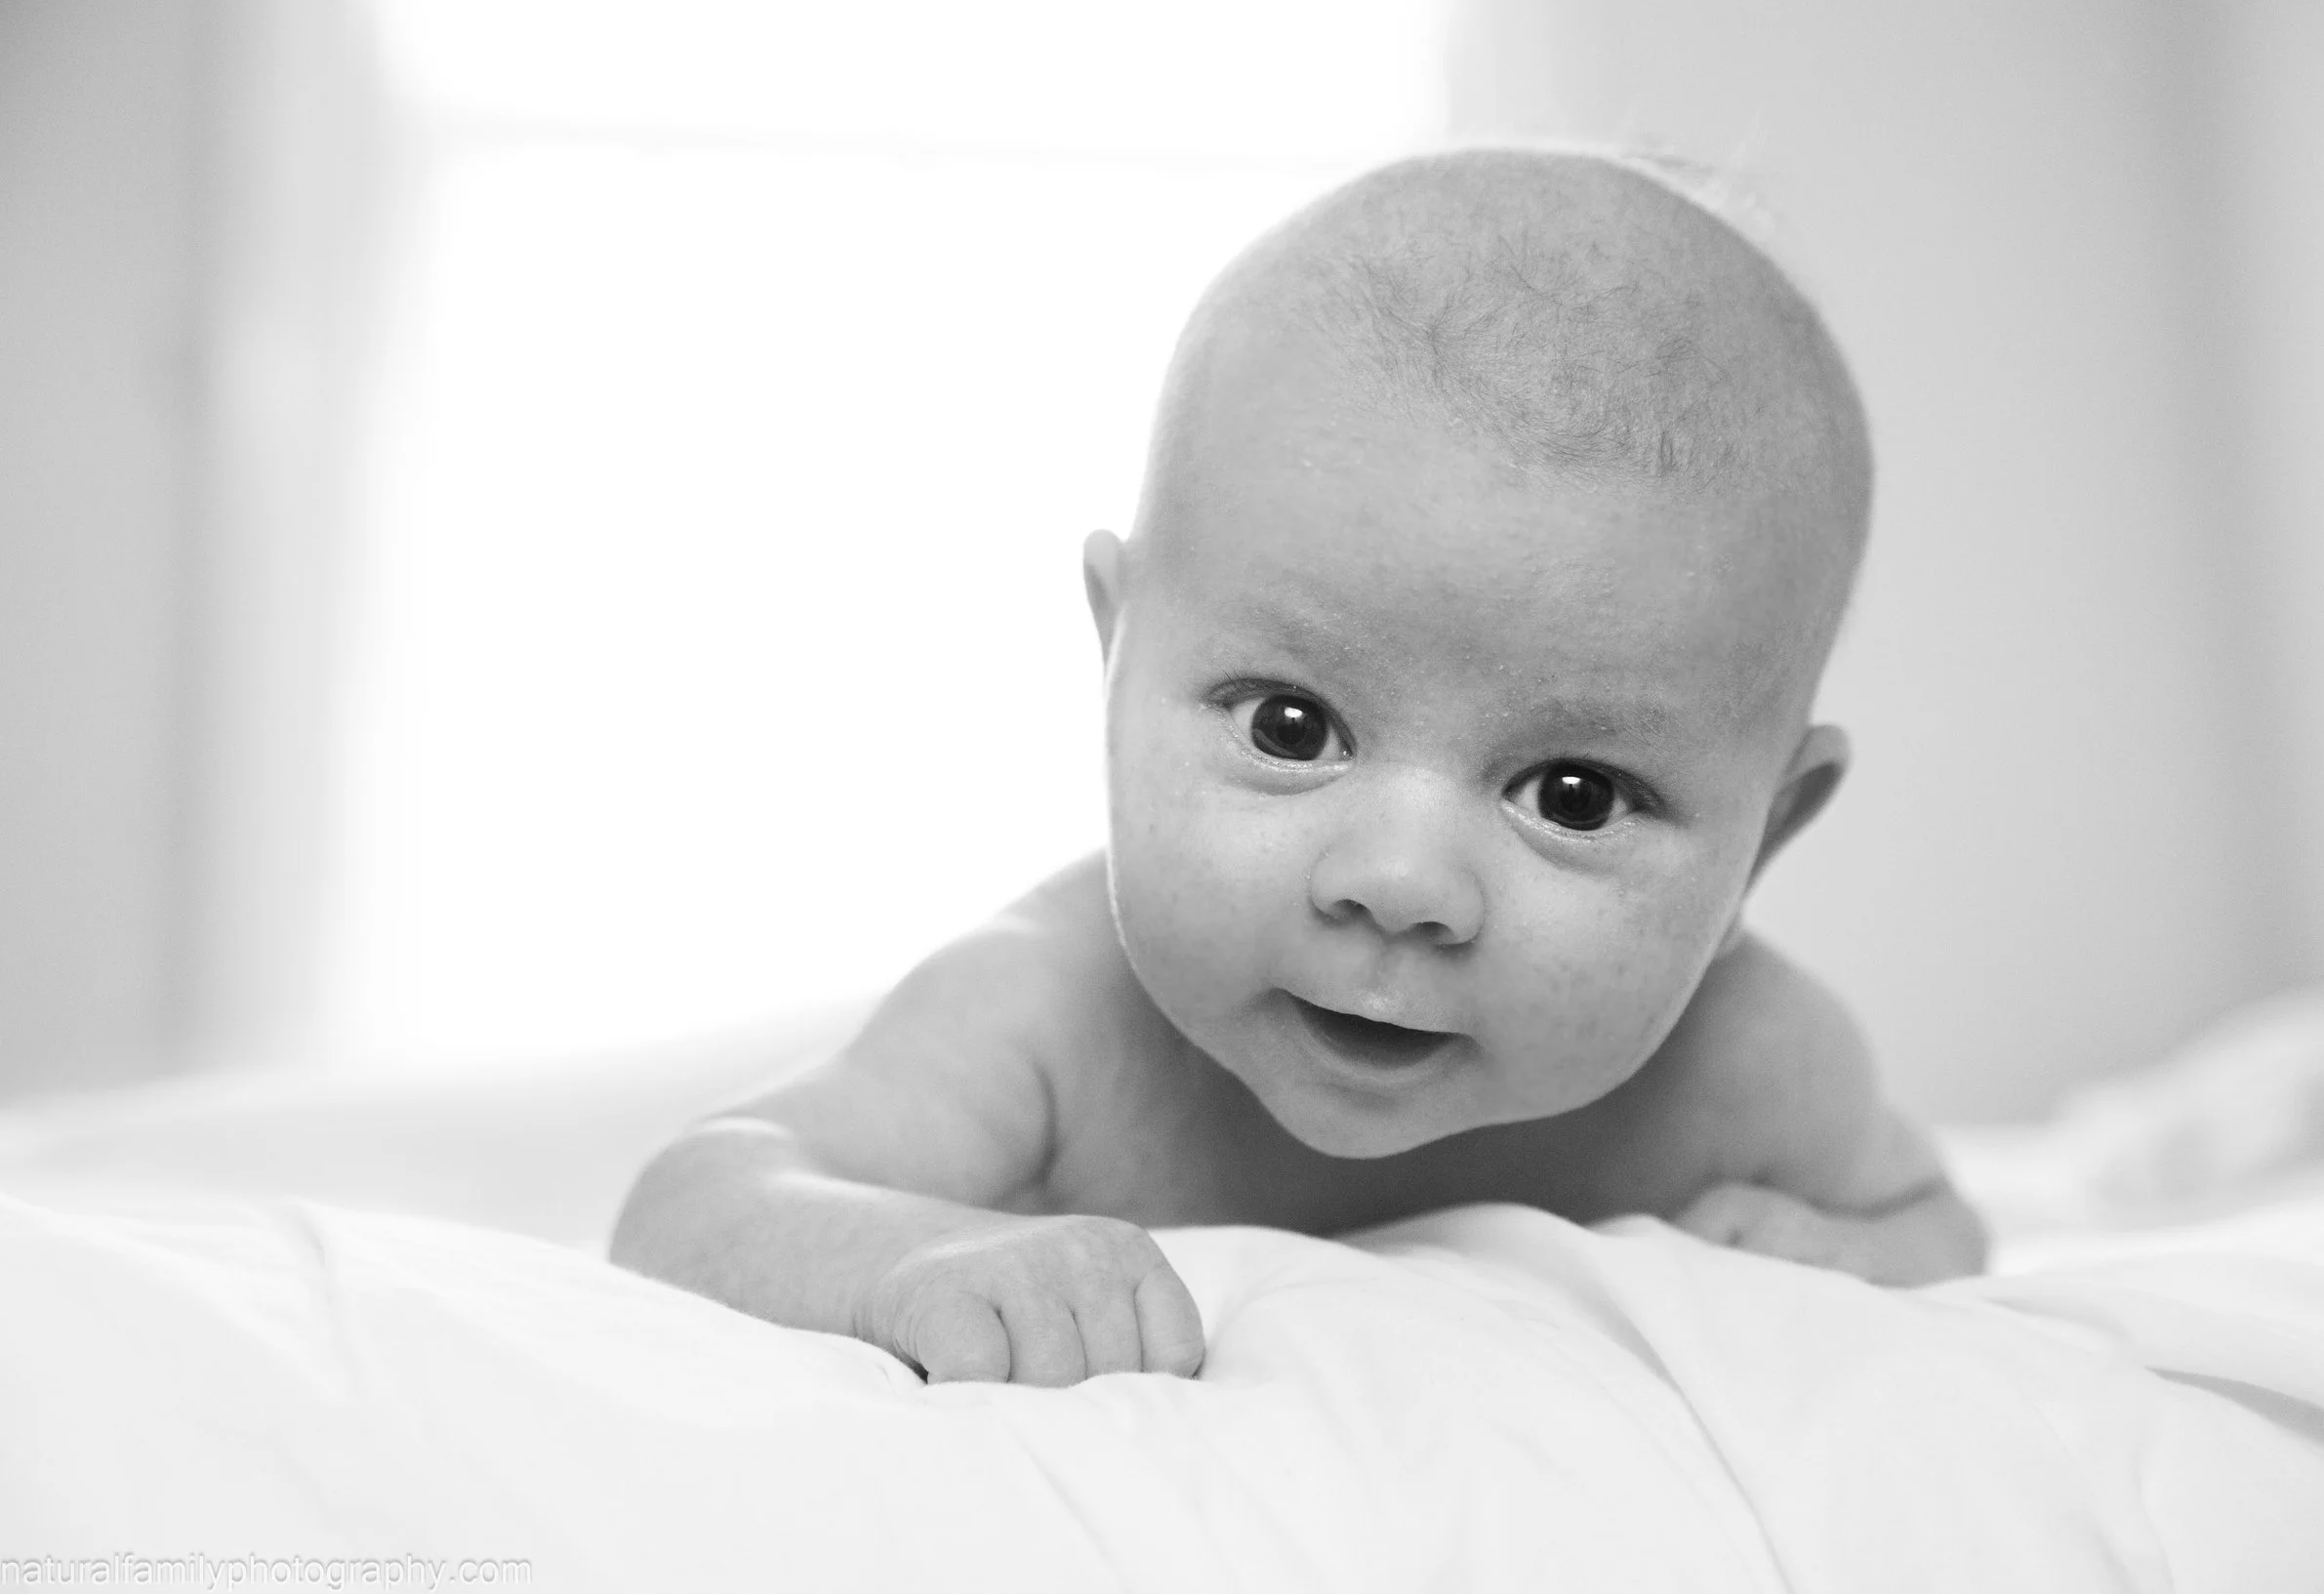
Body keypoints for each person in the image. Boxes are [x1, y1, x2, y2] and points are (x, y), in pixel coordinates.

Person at [611, 145, 1987, 1387]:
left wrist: (1850, 1254)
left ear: (1767, 838)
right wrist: (907, 1259)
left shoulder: (1750, 1065)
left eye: (1573, 794)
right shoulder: (1053, 1014)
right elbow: (703, 1196)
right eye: (1289, 726)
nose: (1400, 884)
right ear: (1118, 661)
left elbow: (1939, 1220)